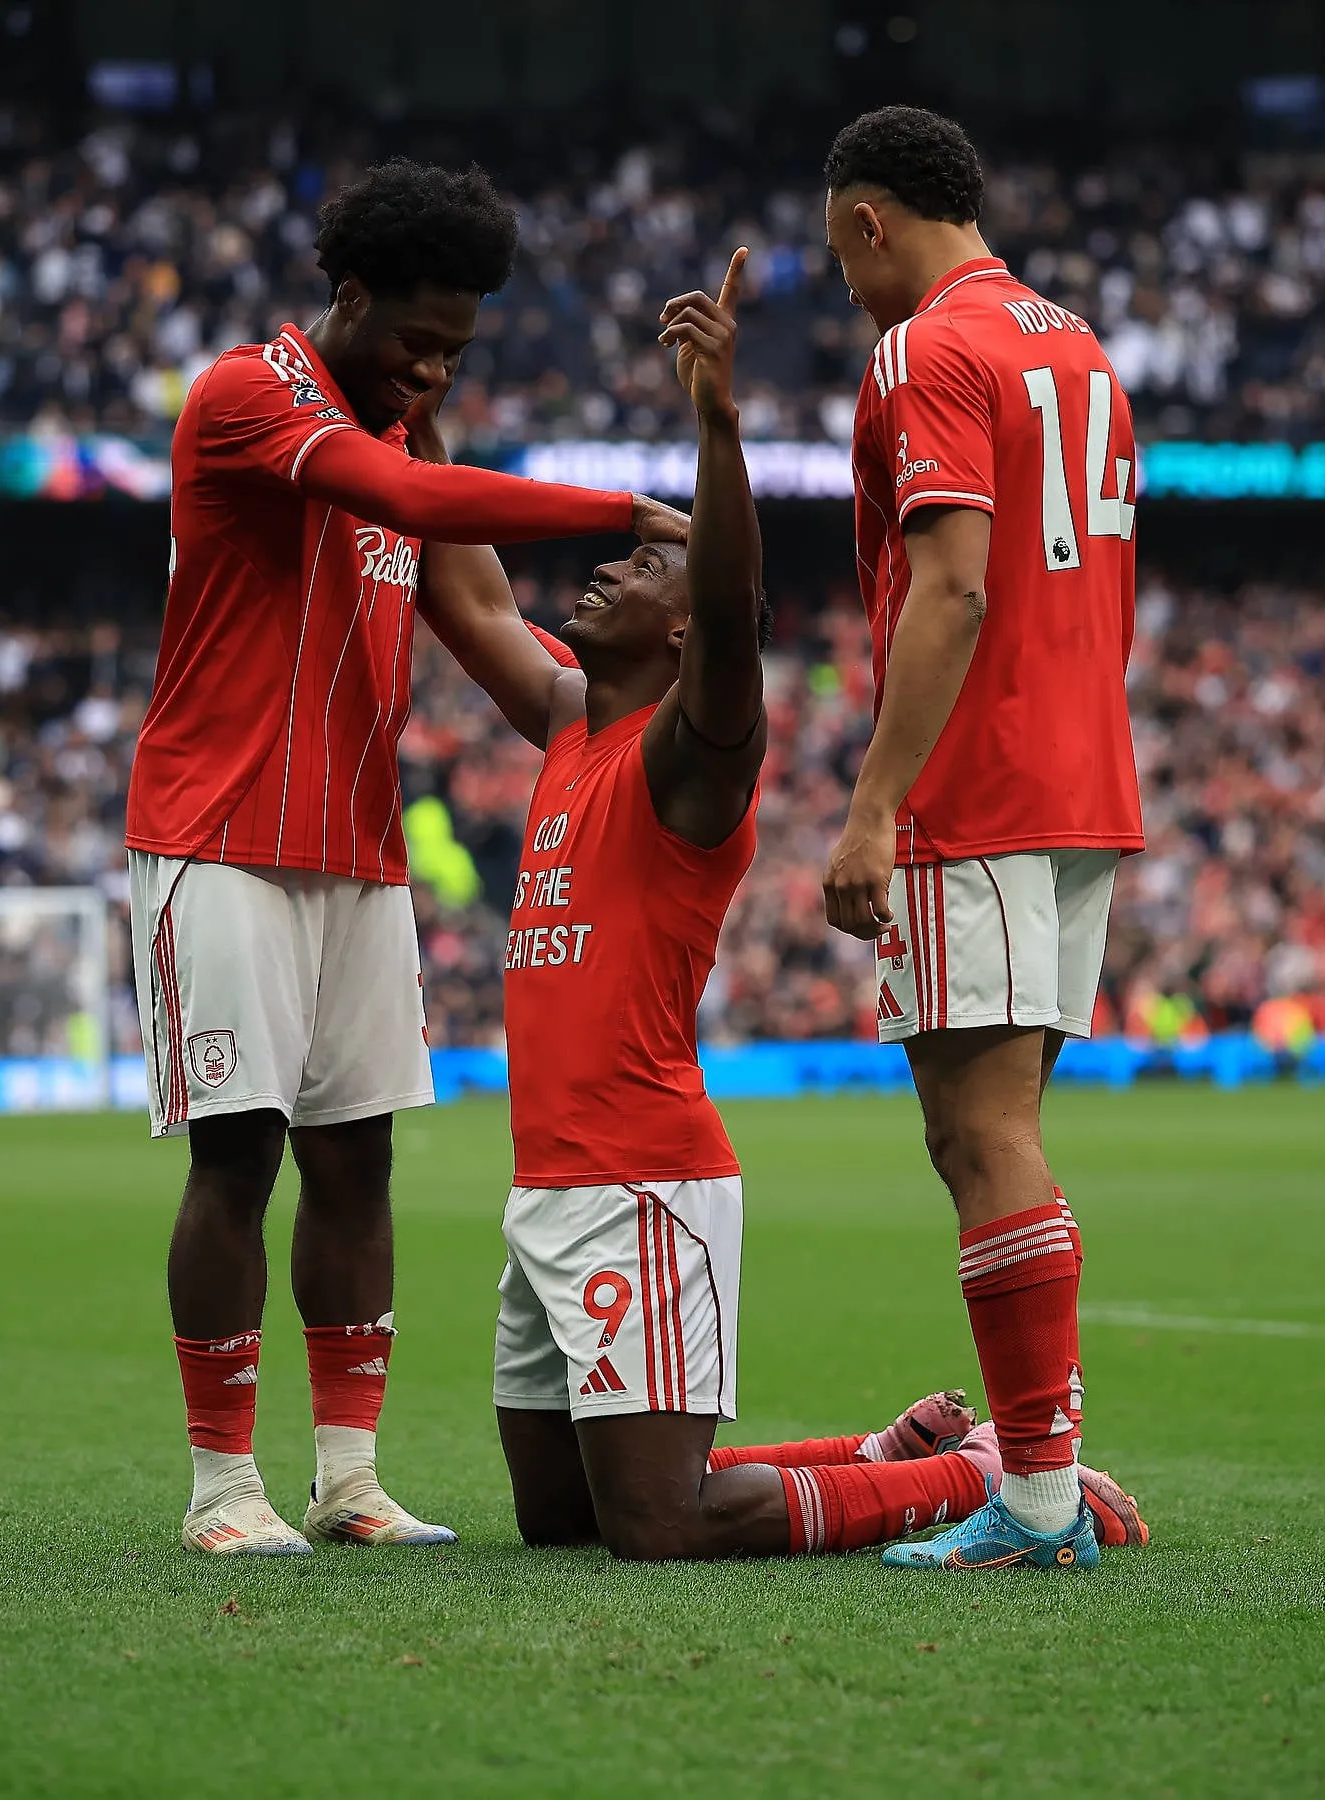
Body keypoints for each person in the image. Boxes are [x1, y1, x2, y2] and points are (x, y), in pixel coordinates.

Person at [412, 250, 1009, 1560]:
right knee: (561, 1519)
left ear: (691, 634)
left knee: (660, 1530)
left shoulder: (695, 757)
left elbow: (733, 610)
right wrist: (415, 417)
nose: (617, 568)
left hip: (643, 1178)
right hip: (546, 1187)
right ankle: (869, 1453)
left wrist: (719, 424)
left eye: (648, 571)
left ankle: (968, 1481)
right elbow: (459, 585)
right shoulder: (574, 721)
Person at [130, 159, 686, 1559]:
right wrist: (629, 513)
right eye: (416, 338)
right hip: (221, 836)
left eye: (459, 347)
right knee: (238, 1157)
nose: (433, 367)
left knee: (359, 1162)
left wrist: (695, 715)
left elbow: (525, 671)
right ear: (351, 295)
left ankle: (348, 1478)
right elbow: (403, 499)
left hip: (357, 852)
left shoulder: (414, 446)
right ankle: (220, 1489)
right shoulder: (251, 397)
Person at [815, 105, 1151, 1570]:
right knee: (994, 1127)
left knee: (981, 1133)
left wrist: (876, 801)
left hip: (982, 779)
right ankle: (1039, 1471)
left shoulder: (923, 348)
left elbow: (953, 586)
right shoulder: (1076, 344)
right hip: (1083, 775)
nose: (848, 289)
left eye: (843, 257)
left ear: (871, 220)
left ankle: (1033, 1500)